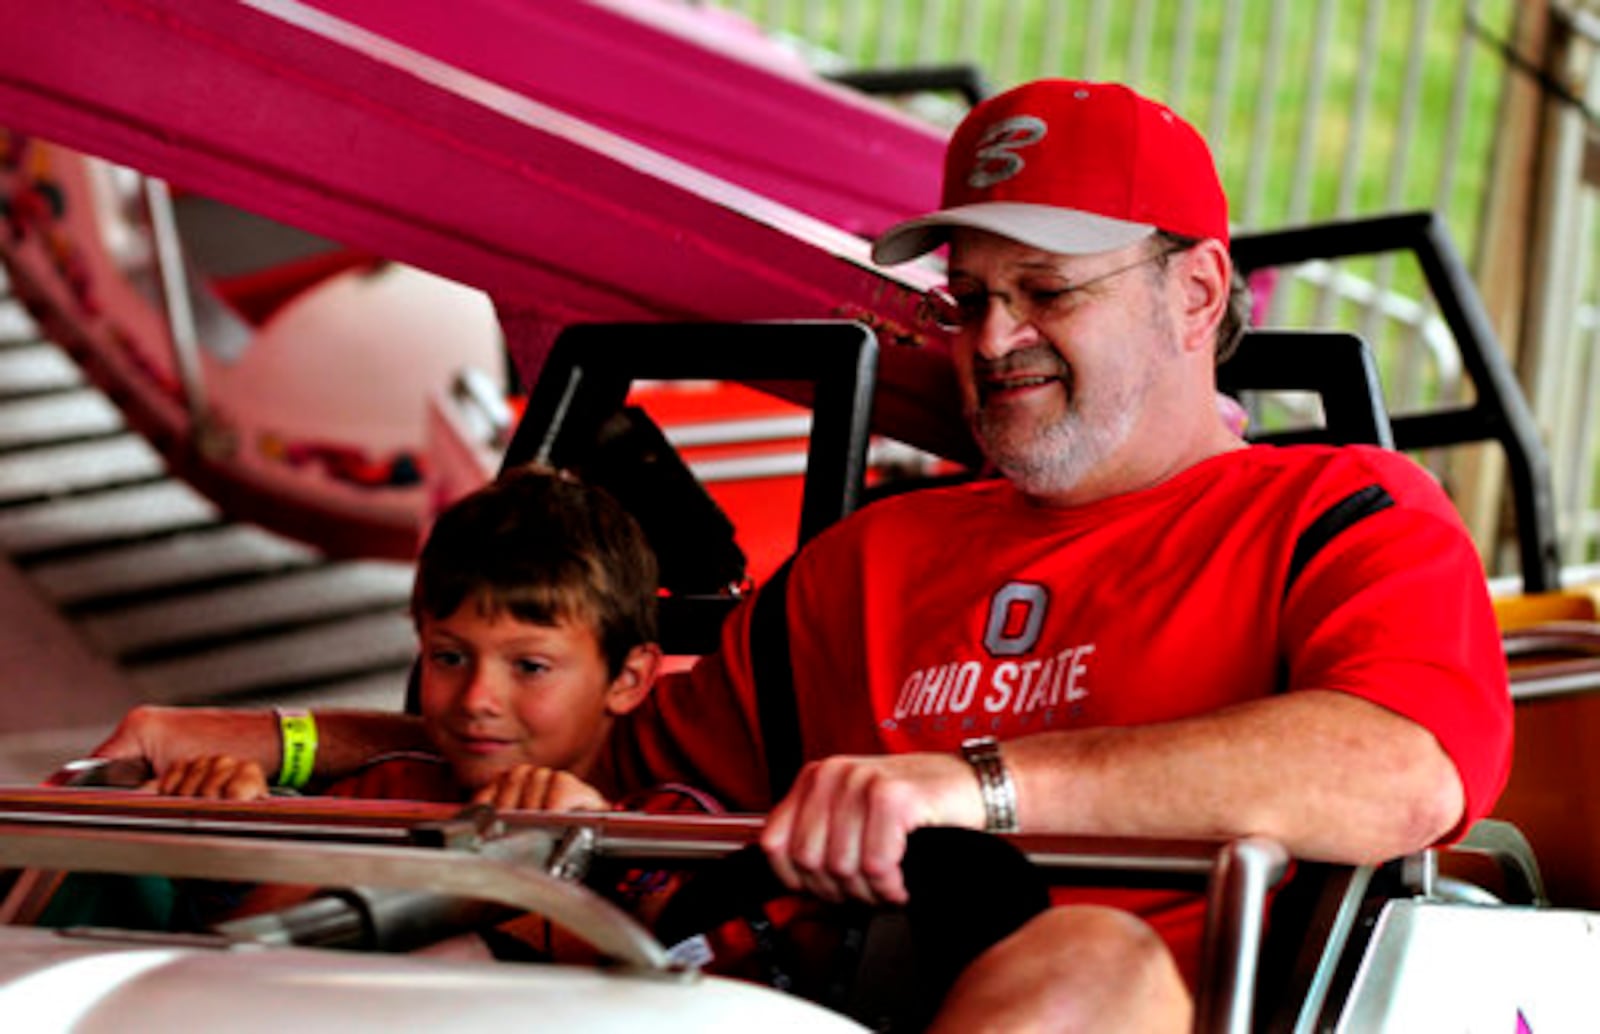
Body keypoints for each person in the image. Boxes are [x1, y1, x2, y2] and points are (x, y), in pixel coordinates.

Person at [96, 79, 1512, 1032]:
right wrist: (277, 743)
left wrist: (967, 789)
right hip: (806, 995)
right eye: (968, 300)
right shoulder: (869, 560)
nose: (992, 340)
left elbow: (1400, 766)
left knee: (1091, 957)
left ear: (1199, 291)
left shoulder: (1343, 512)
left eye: (1046, 293)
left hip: (1135, 992)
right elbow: (582, 766)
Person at [158, 461, 666, 814]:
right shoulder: (387, 793)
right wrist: (240, 831)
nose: (476, 700)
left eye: (530, 667)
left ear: (628, 677)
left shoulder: (679, 827)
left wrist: (594, 844)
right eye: (448, 657)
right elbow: (255, 934)